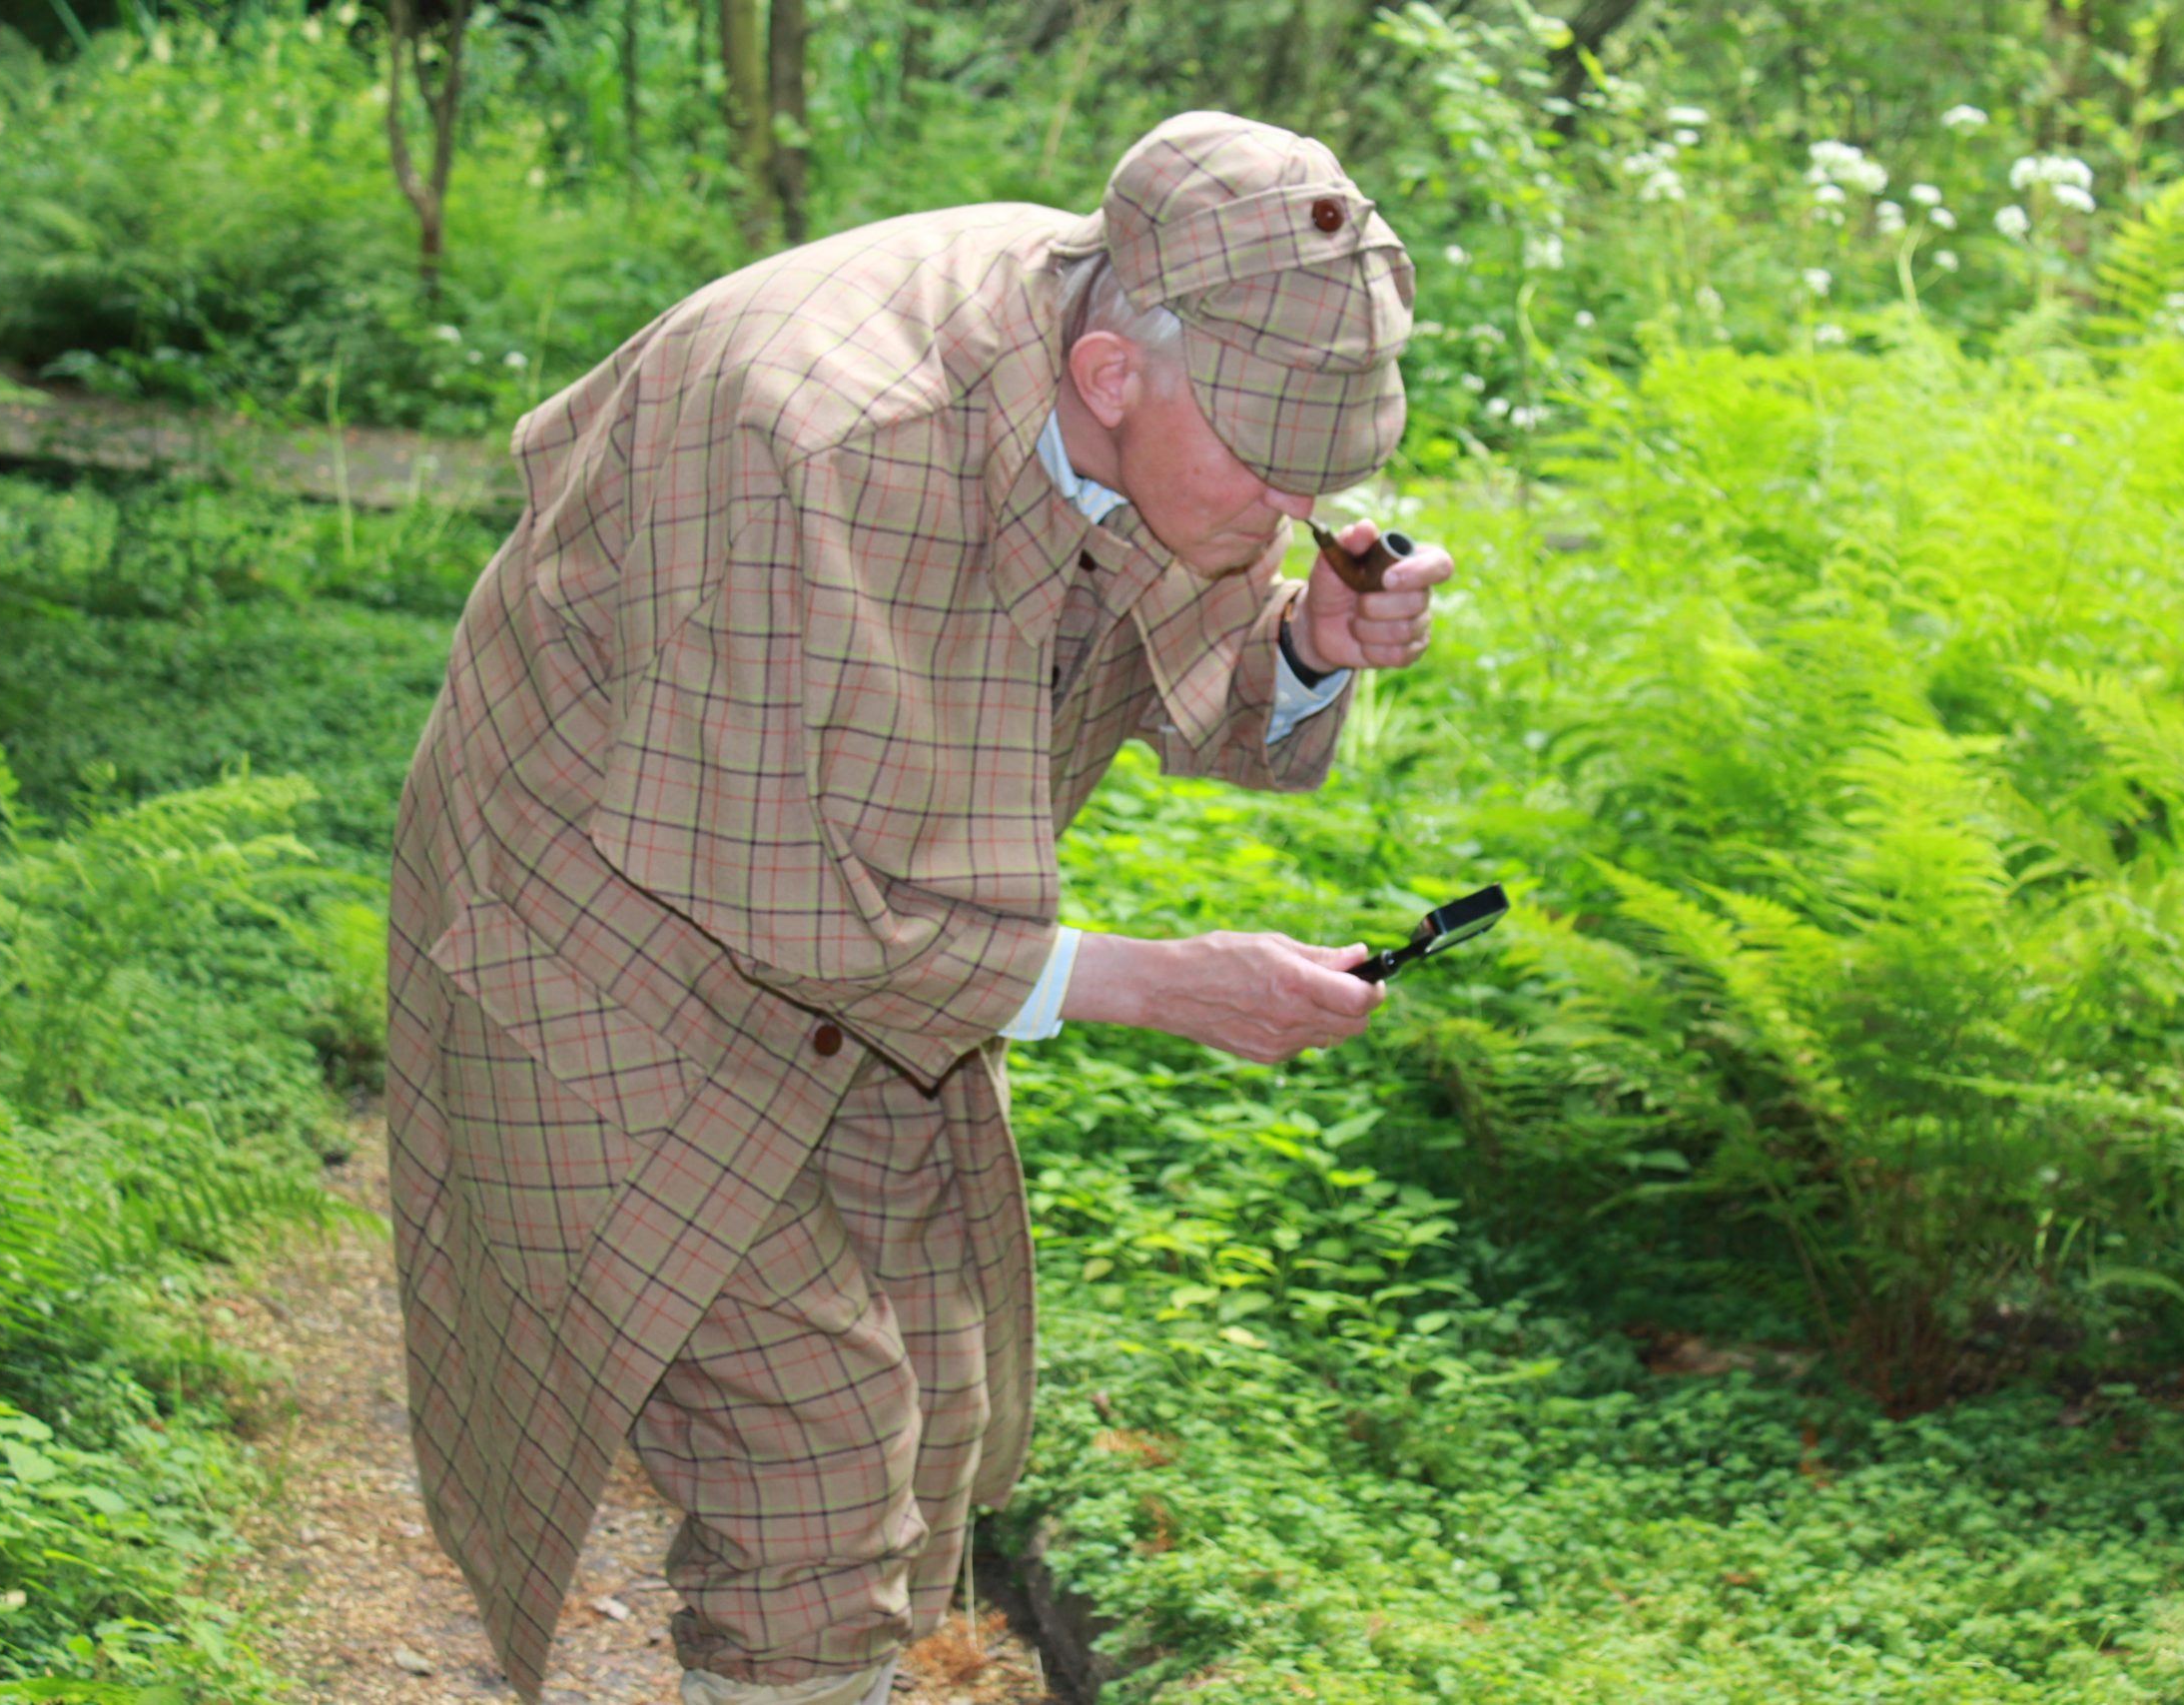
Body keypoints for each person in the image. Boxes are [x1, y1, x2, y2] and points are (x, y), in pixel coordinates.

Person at [383, 108, 1454, 1705]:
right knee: (812, 1455)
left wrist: (1310, 644)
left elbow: (1186, 672)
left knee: (932, 1399)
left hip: (886, 920)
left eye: (1336, 473)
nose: (1312, 510)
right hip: (601, 924)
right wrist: (1156, 983)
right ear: (1113, 377)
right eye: (1278, 461)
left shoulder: (1141, 354)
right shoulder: (811, 434)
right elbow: (764, 882)